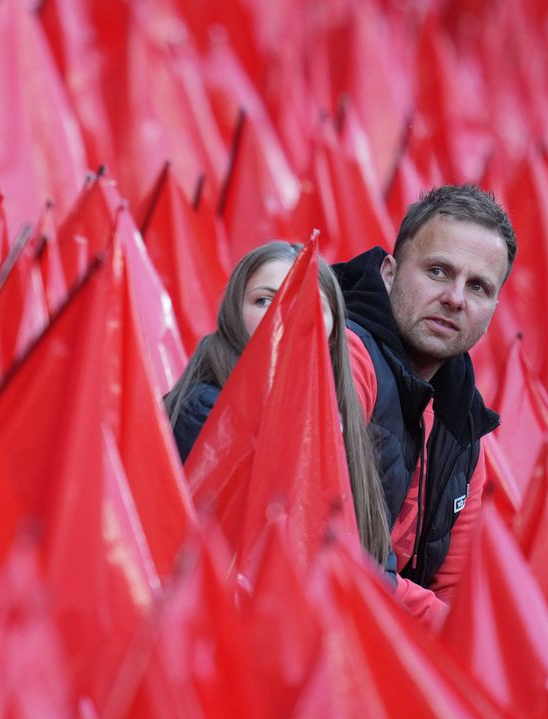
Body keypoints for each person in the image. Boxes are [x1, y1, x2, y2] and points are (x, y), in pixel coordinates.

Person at [333, 184, 513, 604]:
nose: (454, 299)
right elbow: (325, 549)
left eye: (478, 287)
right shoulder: (342, 354)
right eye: (438, 271)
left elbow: (457, 592)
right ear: (389, 272)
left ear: (493, 311)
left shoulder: (465, 425)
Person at [164, 241, 392, 568]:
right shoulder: (204, 412)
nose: (284, 313)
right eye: (265, 300)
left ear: (331, 333)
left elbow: (375, 567)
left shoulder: (344, 429)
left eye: (307, 303)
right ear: (233, 315)